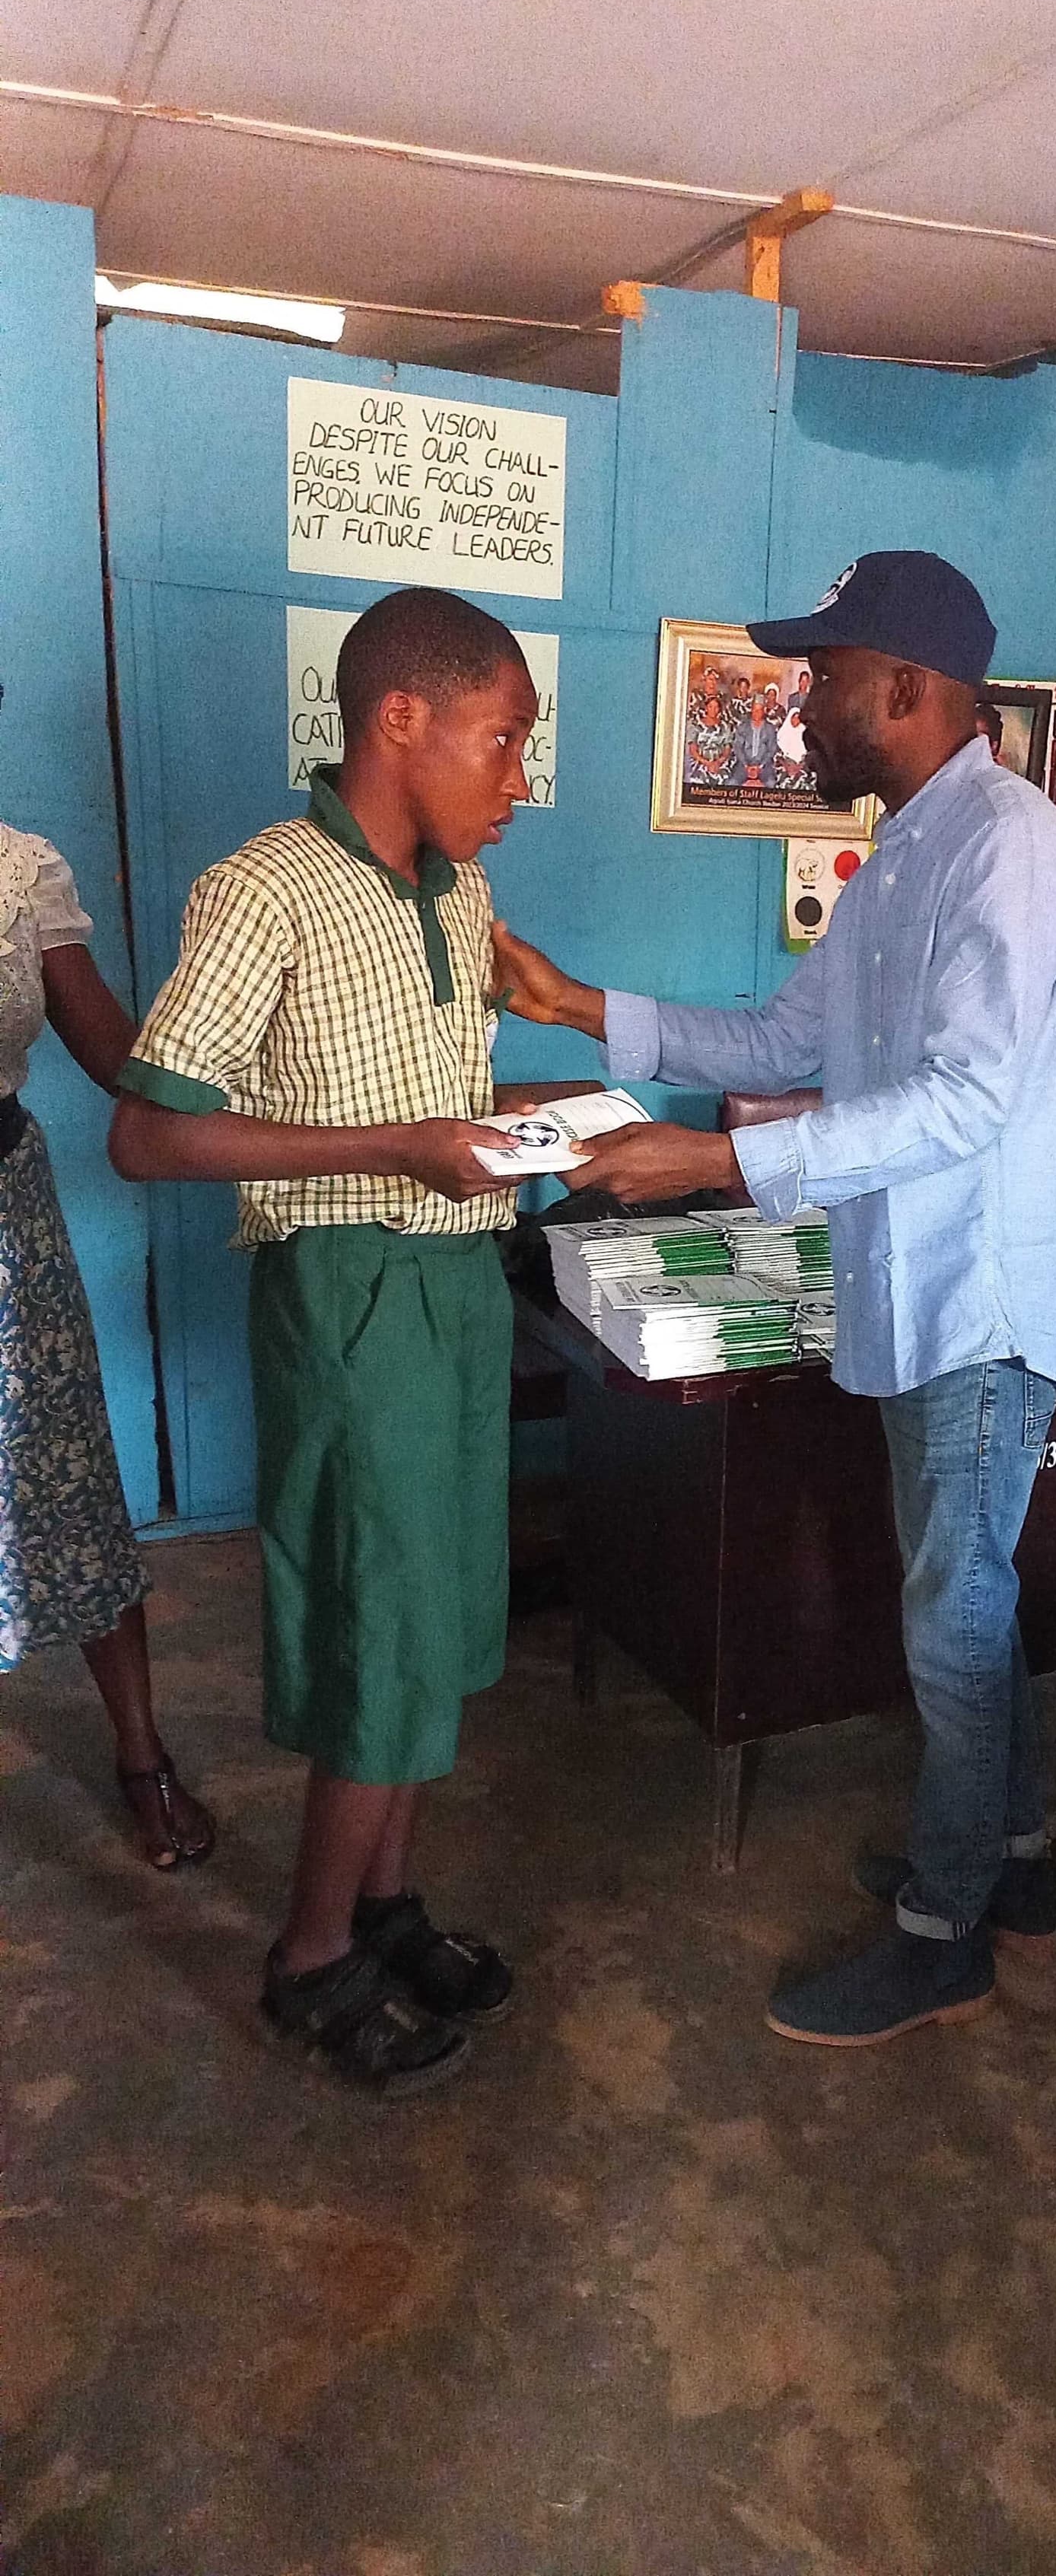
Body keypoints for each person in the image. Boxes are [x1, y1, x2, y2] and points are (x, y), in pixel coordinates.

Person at [493, 549, 1056, 2048]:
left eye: (821, 683)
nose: (798, 714)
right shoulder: (905, 854)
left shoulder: (1014, 851)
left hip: (982, 1301)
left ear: (908, 689)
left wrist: (711, 1156)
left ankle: (942, 1930)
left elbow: (964, 1099)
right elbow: (779, 1036)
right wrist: (584, 1007)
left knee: (954, 1620)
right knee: (973, 1599)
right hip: (916, 1283)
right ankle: (1015, 1865)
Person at [109, 587, 538, 2097]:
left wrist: (513, 1129)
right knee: (378, 1623)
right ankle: (307, 1959)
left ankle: (385, 1904)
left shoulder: (461, 894)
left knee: (436, 1620)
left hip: (461, 1281)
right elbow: (149, 1134)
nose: (515, 780)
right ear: (399, 721)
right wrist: (392, 1148)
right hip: (353, 1292)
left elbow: (446, 1066)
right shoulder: (266, 887)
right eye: (501, 741)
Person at [0, 772, 215, 1869]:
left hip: (7, 1221)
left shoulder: (19, 867)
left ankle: (141, 1752)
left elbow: (116, 1057)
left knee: (69, 1477)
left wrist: (259, 1103)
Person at [730, 692, 781, 788]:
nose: (757, 713)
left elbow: (772, 750)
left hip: (764, 765)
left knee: (771, 784)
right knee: (732, 783)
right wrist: (746, 765)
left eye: (759, 710)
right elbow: (738, 747)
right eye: (755, 710)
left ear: (764, 711)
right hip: (744, 764)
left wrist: (760, 766)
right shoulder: (742, 727)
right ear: (751, 710)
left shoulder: (770, 729)